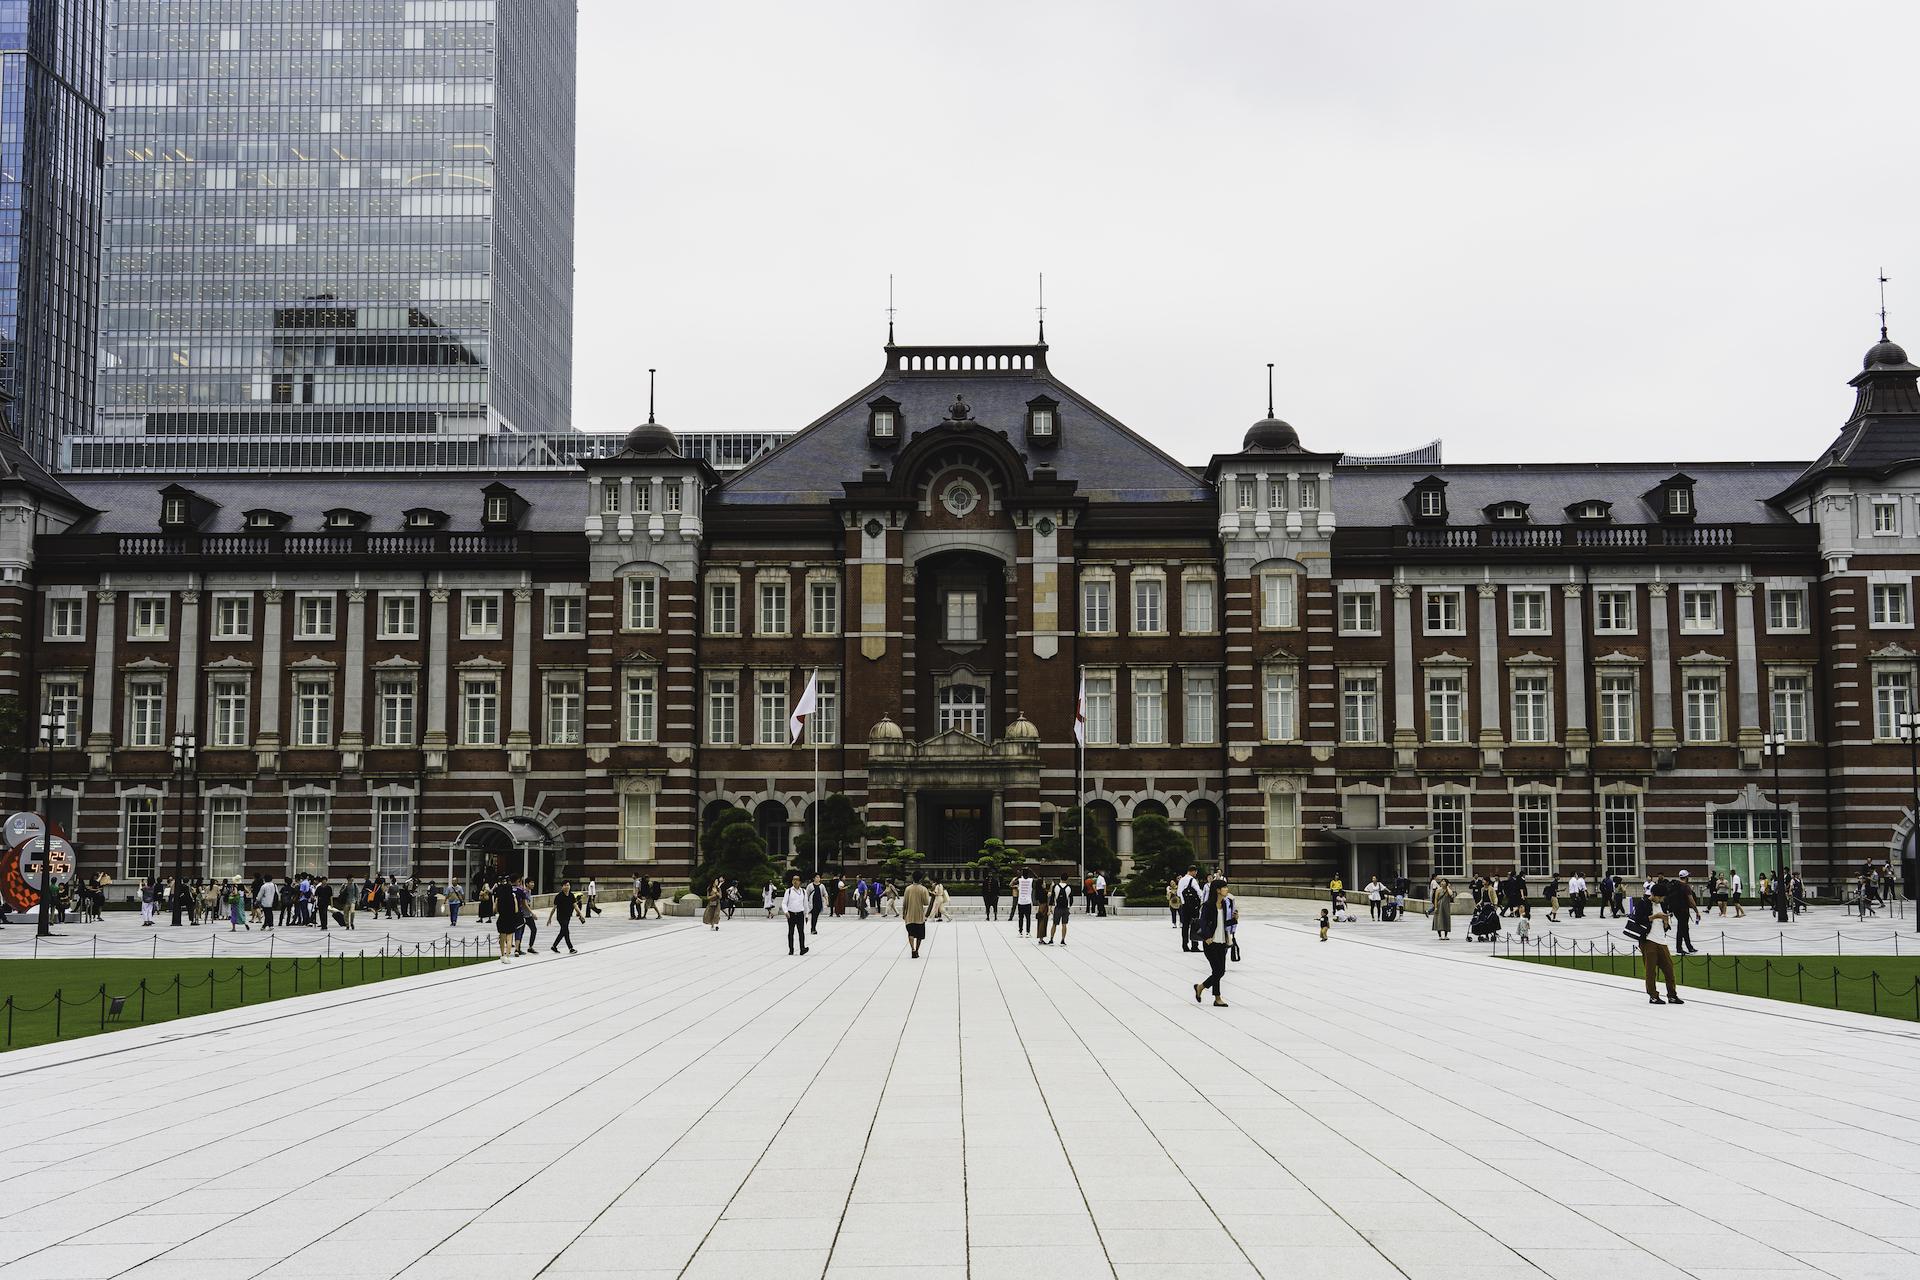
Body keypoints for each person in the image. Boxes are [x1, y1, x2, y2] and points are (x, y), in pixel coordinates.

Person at [1626, 881, 1685, 1005]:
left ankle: (1672, 995)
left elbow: (1665, 923)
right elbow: (1638, 920)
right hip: (1648, 941)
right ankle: (1653, 996)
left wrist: (1665, 921)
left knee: (1669, 969)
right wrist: (1655, 916)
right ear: (1655, 895)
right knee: (1651, 971)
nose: (1662, 899)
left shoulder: (1663, 904)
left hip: (1661, 940)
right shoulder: (1643, 903)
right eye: (1661, 897)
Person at [1193, 878, 1235, 1008]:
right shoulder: (1207, 905)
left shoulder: (1224, 905)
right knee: (1218, 971)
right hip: (1211, 942)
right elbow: (1203, 922)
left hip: (1222, 942)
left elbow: (1223, 924)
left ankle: (1202, 988)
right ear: (1218, 890)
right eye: (1225, 888)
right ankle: (1215, 997)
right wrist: (1206, 937)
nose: (1227, 890)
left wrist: (1234, 919)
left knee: (1219, 971)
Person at [1665, 871, 1701, 955]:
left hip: (1676, 909)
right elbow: (1691, 901)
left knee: (1684, 928)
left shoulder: (1675, 885)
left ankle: (1689, 947)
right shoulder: (1685, 887)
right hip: (1683, 910)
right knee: (1681, 929)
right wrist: (1697, 911)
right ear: (1686, 877)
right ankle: (1679, 948)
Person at [902, 874, 932, 959]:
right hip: (919, 916)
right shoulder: (923, 889)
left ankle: (913, 949)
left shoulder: (908, 889)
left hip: (909, 915)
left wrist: (904, 913)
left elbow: (905, 902)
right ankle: (917, 950)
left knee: (910, 933)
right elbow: (926, 902)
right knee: (919, 935)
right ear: (920, 879)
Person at [781, 874, 811, 955]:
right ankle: (791, 949)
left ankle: (802, 948)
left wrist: (806, 915)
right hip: (791, 914)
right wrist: (786, 911)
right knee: (791, 932)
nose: (795, 881)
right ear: (792, 881)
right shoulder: (789, 891)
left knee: (801, 932)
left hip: (800, 914)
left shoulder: (803, 892)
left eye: (797, 880)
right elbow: (784, 903)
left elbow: (805, 904)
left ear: (800, 882)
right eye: (794, 879)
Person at [548, 881, 581, 953]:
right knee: (566, 931)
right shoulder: (559, 896)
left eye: (568, 885)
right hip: (560, 917)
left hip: (568, 916)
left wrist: (580, 915)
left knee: (563, 932)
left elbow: (575, 906)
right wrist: (549, 918)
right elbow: (554, 908)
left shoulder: (571, 895)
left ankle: (554, 946)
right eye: (565, 885)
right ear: (562, 887)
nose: (567, 886)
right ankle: (570, 948)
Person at [492, 877, 519, 962]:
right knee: (509, 938)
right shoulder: (512, 897)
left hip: (502, 918)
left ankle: (502, 955)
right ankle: (507, 955)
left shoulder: (499, 898)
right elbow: (516, 910)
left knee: (502, 938)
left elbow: (494, 910)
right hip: (510, 918)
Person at [1178, 868, 1203, 952]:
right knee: (1194, 925)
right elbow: (1199, 892)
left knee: (1185, 926)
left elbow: (1179, 893)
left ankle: (1185, 945)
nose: (1196, 874)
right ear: (1193, 871)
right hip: (1193, 907)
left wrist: (1183, 902)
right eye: (1195, 872)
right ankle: (1194, 945)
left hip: (1184, 906)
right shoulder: (1192, 880)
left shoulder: (1181, 880)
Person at [1049, 879, 1072, 946]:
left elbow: (1052, 898)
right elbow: (1071, 899)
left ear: (1060, 878)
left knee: (1054, 924)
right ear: (1067, 879)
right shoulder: (1069, 887)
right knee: (1064, 924)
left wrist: (1050, 908)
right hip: (1065, 908)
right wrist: (1069, 907)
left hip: (1057, 908)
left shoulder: (1055, 887)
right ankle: (1062, 940)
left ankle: (1051, 939)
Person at [1014, 870, 1034, 936]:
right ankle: (1028, 932)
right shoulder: (1031, 880)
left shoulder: (1019, 880)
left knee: (1020, 918)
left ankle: (1020, 932)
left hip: (1021, 902)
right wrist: (1031, 871)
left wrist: (1018, 876)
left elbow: (1012, 883)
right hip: (1028, 902)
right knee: (1028, 918)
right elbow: (1038, 878)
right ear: (1028, 874)